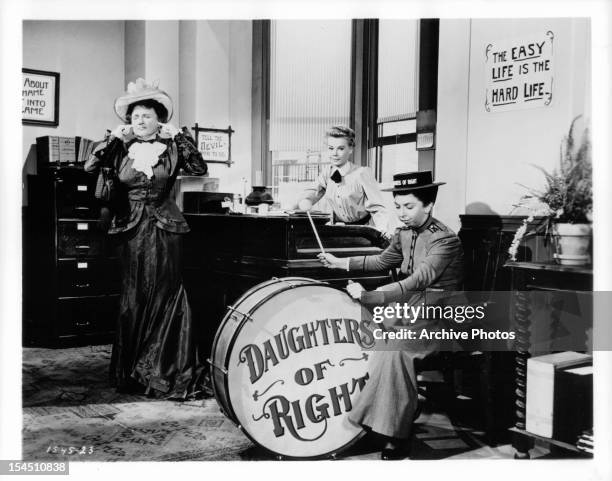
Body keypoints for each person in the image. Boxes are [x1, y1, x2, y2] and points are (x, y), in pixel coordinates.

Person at [317, 170, 464, 459]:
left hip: (444, 320)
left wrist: (371, 297)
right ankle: (374, 423)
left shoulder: (444, 240)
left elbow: (417, 281)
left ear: (428, 206)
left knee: (394, 349)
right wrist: (340, 264)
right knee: (359, 335)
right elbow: (383, 260)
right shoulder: (405, 233)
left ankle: (394, 433)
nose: (402, 213)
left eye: (409, 207)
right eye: (397, 206)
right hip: (413, 313)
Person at [85, 78, 209, 400]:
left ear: (159, 120)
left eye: (147, 116)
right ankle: (132, 373)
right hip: (131, 229)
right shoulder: (120, 149)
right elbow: (89, 165)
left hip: (167, 228)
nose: (140, 121)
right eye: (135, 116)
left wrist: (180, 137)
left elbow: (198, 167)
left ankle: (161, 373)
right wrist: (113, 139)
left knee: (165, 294)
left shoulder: (171, 148)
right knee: (134, 295)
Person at [296, 125, 398, 240]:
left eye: (340, 148)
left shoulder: (362, 173)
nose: (334, 153)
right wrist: (306, 200)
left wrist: (383, 230)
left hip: (364, 233)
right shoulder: (327, 173)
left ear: (350, 149)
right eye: (331, 148)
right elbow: (311, 192)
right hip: (340, 232)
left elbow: (379, 208)